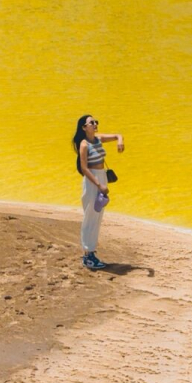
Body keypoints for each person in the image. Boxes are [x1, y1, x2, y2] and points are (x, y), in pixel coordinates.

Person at [72, 114, 124, 270]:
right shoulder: (84, 145)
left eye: (96, 122)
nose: (95, 124)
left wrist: (120, 141)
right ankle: (88, 255)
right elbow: (84, 168)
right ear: (83, 127)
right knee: (90, 216)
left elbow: (117, 135)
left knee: (98, 216)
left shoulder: (98, 139)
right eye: (91, 123)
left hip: (101, 178)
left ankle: (91, 252)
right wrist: (99, 184)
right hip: (92, 180)